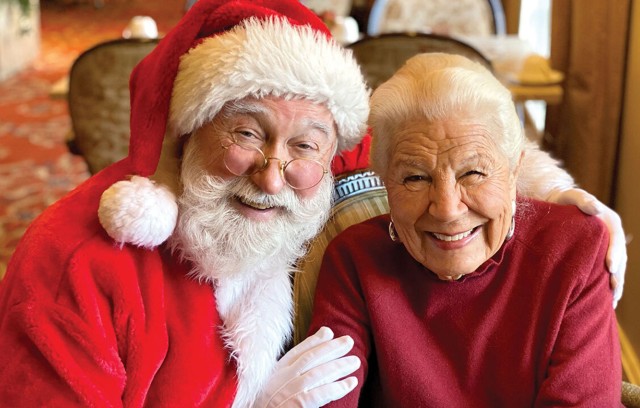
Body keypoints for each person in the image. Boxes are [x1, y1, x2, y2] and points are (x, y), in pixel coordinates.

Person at [0, 0, 625, 406]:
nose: (275, 177)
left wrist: (554, 193)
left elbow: (433, 147)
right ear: (184, 131)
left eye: (305, 145)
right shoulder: (74, 263)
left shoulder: (321, 164)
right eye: (244, 133)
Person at [308, 53, 623, 407]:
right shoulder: (355, 260)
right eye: (415, 177)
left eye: (472, 174)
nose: (447, 210)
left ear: (515, 171)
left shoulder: (574, 249)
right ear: (386, 183)